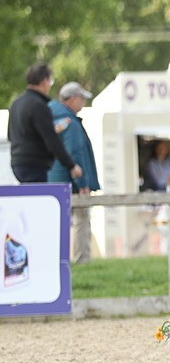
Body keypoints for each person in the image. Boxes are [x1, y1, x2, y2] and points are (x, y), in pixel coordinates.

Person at [48, 83, 101, 263]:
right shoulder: (70, 122)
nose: (84, 103)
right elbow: (75, 153)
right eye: (82, 98)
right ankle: (82, 259)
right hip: (71, 183)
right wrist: (83, 182)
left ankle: (57, 259)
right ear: (72, 99)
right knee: (82, 219)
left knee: (57, 222)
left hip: (54, 180)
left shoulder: (51, 117)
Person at [7, 64, 81, 184]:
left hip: (17, 163)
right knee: (37, 199)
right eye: (50, 81)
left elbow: (11, 135)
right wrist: (71, 165)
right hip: (35, 163)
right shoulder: (38, 105)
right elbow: (51, 138)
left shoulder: (15, 104)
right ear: (44, 81)